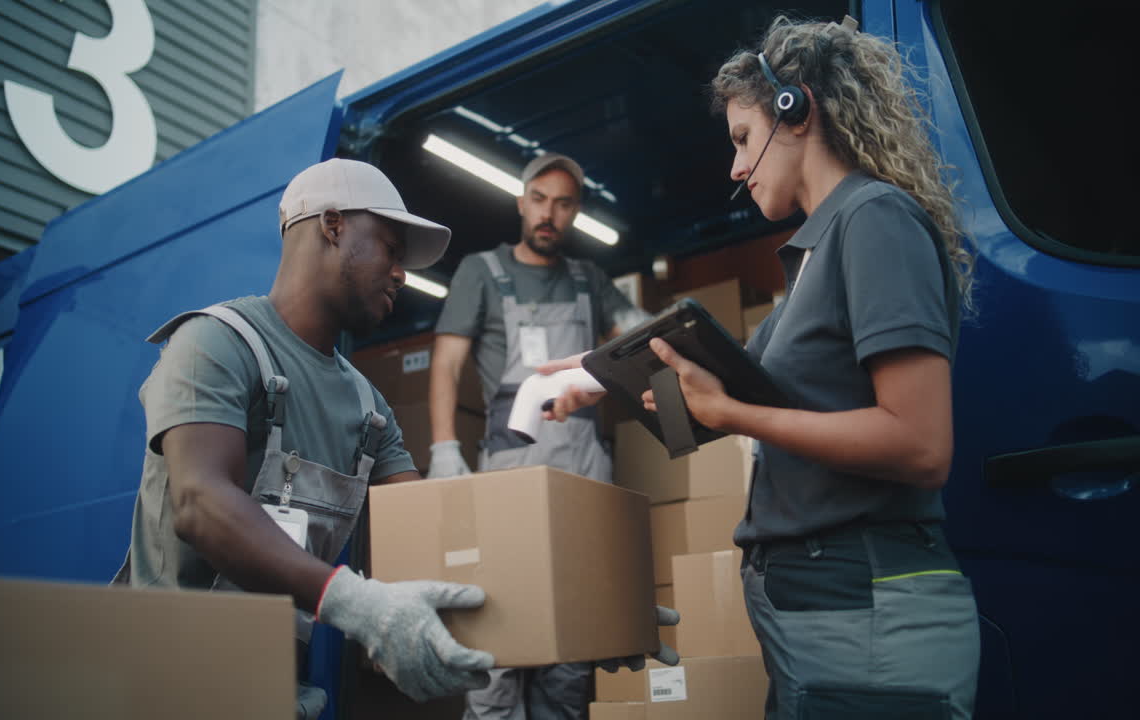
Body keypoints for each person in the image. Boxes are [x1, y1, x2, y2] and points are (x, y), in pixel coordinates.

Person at [547, 14, 982, 720]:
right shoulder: (815, 251)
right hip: (821, 616)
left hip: (862, 616)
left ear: (797, 108)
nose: (736, 167)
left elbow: (921, 444)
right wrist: (607, 374)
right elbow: (748, 394)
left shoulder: (874, 220)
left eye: (743, 139)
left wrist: (735, 413)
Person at [113, 159, 495, 720]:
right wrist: (352, 601)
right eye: (391, 247)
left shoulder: (369, 408)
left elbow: (429, 536)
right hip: (167, 691)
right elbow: (199, 503)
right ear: (333, 224)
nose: (401, 274)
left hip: (277, 698)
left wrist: (576, 608)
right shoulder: (215, 344)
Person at [426, 153, 652, 720]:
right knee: (497, 630)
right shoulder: (482, 271)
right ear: (521, 200)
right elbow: (447, 363)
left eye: (565, 202)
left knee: (570, 637)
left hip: (580, 474)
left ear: (576, 211)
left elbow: (640, 336)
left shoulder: (589, 280)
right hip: (509, 471)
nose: (549, 212)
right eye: (539, 198)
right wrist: (443, 447)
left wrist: (663, 331)